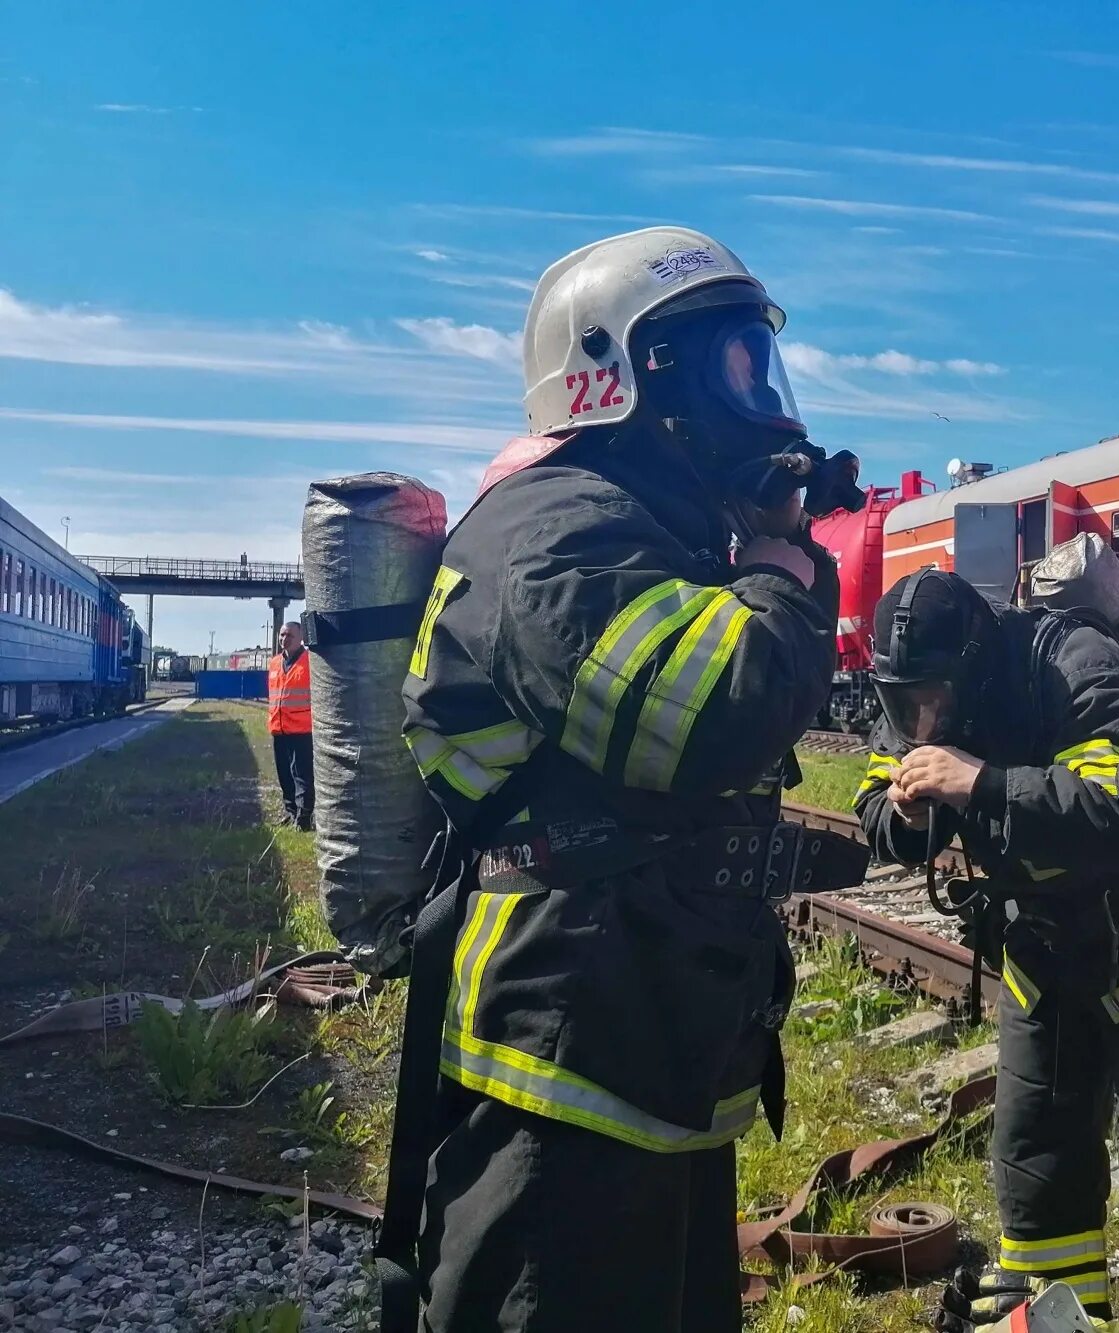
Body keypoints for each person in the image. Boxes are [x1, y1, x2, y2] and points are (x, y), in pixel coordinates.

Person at [393, 227, 848, 1332]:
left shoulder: (645, 526)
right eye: (736, 361)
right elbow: (706, 717)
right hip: (569, 1045)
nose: (763, 394)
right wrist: (785, 573)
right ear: (641, 375)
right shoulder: (557, 527)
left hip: (646, 1026)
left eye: (761, 360)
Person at [854, 569, 1119, 1333]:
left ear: (974, 670)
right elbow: (872, 794)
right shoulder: (916, 700)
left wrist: (985, 786)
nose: (920, 720)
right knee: (1035, 1175)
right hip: (1045, 965)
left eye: (933, 700)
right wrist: (902, 811)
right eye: (905, 703)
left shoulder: (1072, 665)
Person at [268, 620, 314, 830]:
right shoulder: (275, 663)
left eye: (289, 636)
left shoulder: (310, 662)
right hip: (279, 729)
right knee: (284, 774)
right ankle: (290, 812)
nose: (284, 639)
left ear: (301, 638)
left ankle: (304, 818)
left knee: (302, 776)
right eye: (282, 635)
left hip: (302, 730)